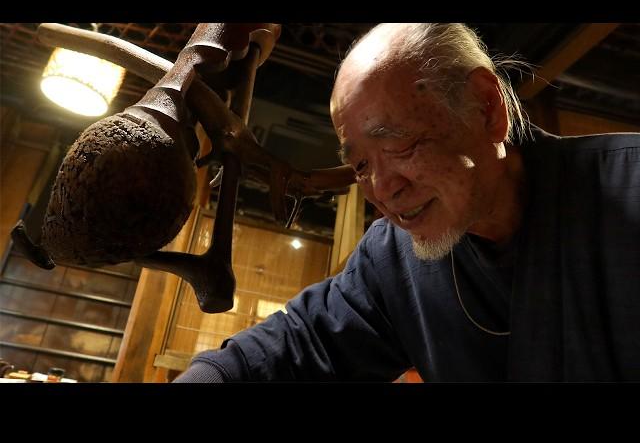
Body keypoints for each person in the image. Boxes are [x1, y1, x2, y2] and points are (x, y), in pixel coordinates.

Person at [175, 23, 640, 382]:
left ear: (486, 108)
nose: (382, 189)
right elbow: (299, 342)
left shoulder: (628, 188)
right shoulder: (393, 259)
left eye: (398, 145)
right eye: (359, 165)